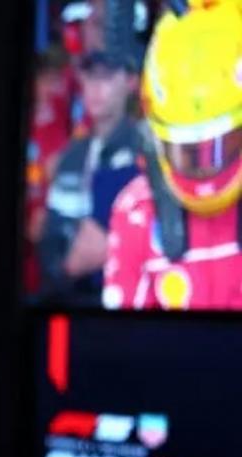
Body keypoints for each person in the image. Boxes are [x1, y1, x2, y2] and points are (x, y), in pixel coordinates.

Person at [103, 0, 242, 310]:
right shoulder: (136, 212)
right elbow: (119, 336)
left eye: (222, 145)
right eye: (189, 152)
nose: (205, 168)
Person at [36, 48, 144, 306]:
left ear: (130, 82)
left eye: (106, 76)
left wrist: (110, 247)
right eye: (89, 76)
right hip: (70, 300)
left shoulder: (145, 151)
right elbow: (51, 239)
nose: (95, 88)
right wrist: (64, 270)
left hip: (126, 301)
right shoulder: (72, 155)